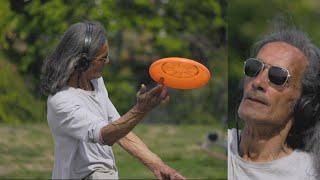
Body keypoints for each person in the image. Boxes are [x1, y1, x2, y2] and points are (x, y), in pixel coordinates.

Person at [40, 21, 185, 180]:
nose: (107, 62)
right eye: (103, 58)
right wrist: (140, 110)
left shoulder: (95, 82)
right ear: (82, 62)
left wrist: (158, 166)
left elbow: (120, 130)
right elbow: (105, 135)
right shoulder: (61, 101)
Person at [228, 27, 320, 180]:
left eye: (278, 76)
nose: (257, 82)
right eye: (253, 68)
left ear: (303, 103)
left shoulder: (310, 173)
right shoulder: (218, 144)